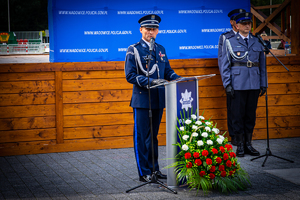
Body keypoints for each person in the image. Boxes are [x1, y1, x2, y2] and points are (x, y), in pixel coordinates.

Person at [124, 14, 181, 182]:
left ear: (158, 31)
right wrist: (150, 81)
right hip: (142, 100)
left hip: (158, 98)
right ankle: (144, 172)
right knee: (142, 137)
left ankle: (155, 170)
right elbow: (130, 75)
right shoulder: (133, 49)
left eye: (154, 29)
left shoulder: (161, 49)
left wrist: (178, 78)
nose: (151, 31)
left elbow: (167, 71)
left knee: (153, 136)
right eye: (148, 28)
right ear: (141, 30)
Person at [220, 12, 267, 157]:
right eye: (244, 23)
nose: (248, 26)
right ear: (237, 25)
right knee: (237, 115)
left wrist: (263, 83)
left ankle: (248, 144)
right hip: (237, 84)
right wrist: (227, 84)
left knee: (250, 115)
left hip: (253, 83)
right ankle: (239, 145)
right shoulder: (229, 40)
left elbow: (262, 65)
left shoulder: (256, 40)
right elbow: (224, 64)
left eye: (249, 24)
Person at [218, 8, 245, 146]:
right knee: (233, 109)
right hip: (233, 80)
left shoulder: (248, 37)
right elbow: (222, 61)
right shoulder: (225, 37)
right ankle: (234, 135)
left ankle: (245, 136)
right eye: (237, 20)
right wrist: (226, 83)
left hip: (246, 81)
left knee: (246, 109)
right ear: (232, 22)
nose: (240, 23)